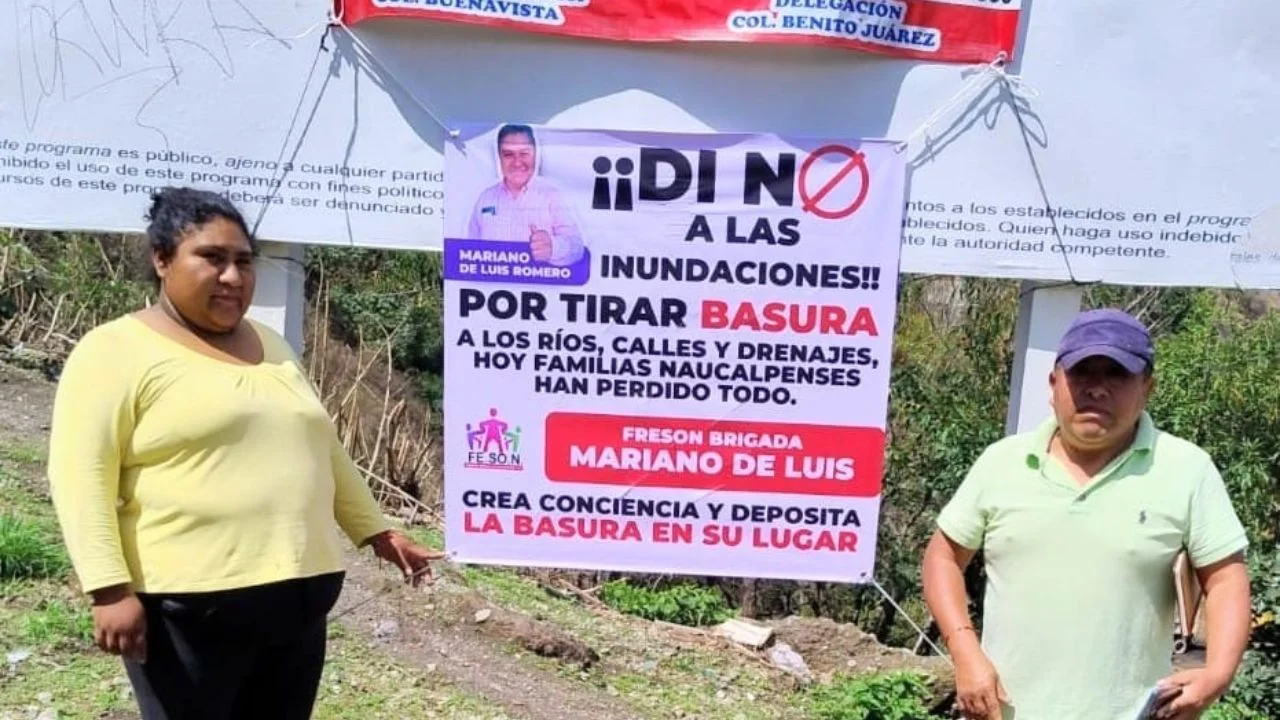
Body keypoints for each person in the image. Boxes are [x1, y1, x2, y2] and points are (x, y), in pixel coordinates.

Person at [46, 187, 443, 719]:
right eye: (212, 258)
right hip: (190, 606)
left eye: (243, 262)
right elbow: (80, 476)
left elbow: (320, 447)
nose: (232, 276)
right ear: (162, 260)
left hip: (300, 601)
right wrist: (108, 590)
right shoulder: (114, 351)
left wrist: (378, 532)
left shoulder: (270, 344)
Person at [921, 308, 1253, 720]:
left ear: (1147, 387)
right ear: (1053, 383)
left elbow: (1225, 579)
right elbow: (943, 558)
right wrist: (964, 651)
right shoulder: (1001, 463)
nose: (1097, 389)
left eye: (1116, 374)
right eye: (1082, 373)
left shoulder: (1186, 469)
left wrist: (1218, 673)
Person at [465, 123, 586, 266]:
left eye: (524, 153)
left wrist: (553, 247)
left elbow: (577, 247)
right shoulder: (485, 198)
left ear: (535, 155)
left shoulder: (552, 195)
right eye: (508, 154)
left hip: (537, 286)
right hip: (491, 287)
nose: (517, 162)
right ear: (499, 157)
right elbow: (470, 250)